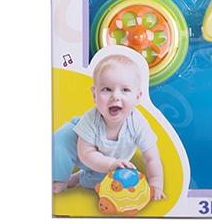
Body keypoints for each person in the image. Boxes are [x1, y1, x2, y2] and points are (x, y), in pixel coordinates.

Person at [52, 49, 165, 200]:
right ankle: (59, 178)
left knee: (105, 184)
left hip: (109, 160)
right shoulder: (90, 120)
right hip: (81, 143)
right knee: (60, 139)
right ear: (94, 95)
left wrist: (156, 185)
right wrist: (110, 163)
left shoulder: (138, 124)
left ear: (137, 97)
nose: (115, 96)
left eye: (125, 90)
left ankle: (79, 178)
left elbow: (152, 158)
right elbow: (86, 154)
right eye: (107, 89)